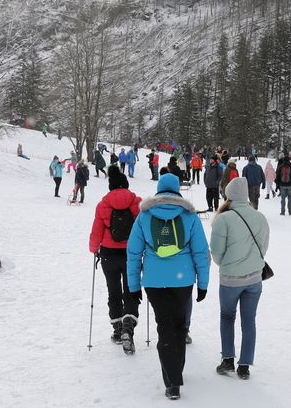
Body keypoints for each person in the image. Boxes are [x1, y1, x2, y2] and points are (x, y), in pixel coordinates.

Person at [126, 173, 210, 400]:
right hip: (183, 281)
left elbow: (134, 254)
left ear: (159, 189)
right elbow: (201, 252)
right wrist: (203, 283)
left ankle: (172, 380)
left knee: (164, 325)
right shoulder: (189, 216)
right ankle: (175, 373)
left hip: (154, 281)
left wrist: (133, 286)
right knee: (180, 324)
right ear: (177, 190)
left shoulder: (144, 215)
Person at [210, 177, 269, 380]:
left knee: (227, 317)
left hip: (230, 280)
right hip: (254, 279)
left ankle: (228, 360)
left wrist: (227, 264)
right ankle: (244, 366)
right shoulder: (260, 217)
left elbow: (216, 253)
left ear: (229, 195)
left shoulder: (223, 219)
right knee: (249, 321)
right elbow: (264, 248)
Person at [90, 166, 142, 353]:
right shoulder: (137, 203)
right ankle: (129, 325)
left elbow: (97, 231)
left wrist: (94, 248)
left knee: (114, 290)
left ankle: (118, 329)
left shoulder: (103, 205)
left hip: (108, 254)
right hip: (131, 254)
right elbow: (142, 229)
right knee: (131, 290)